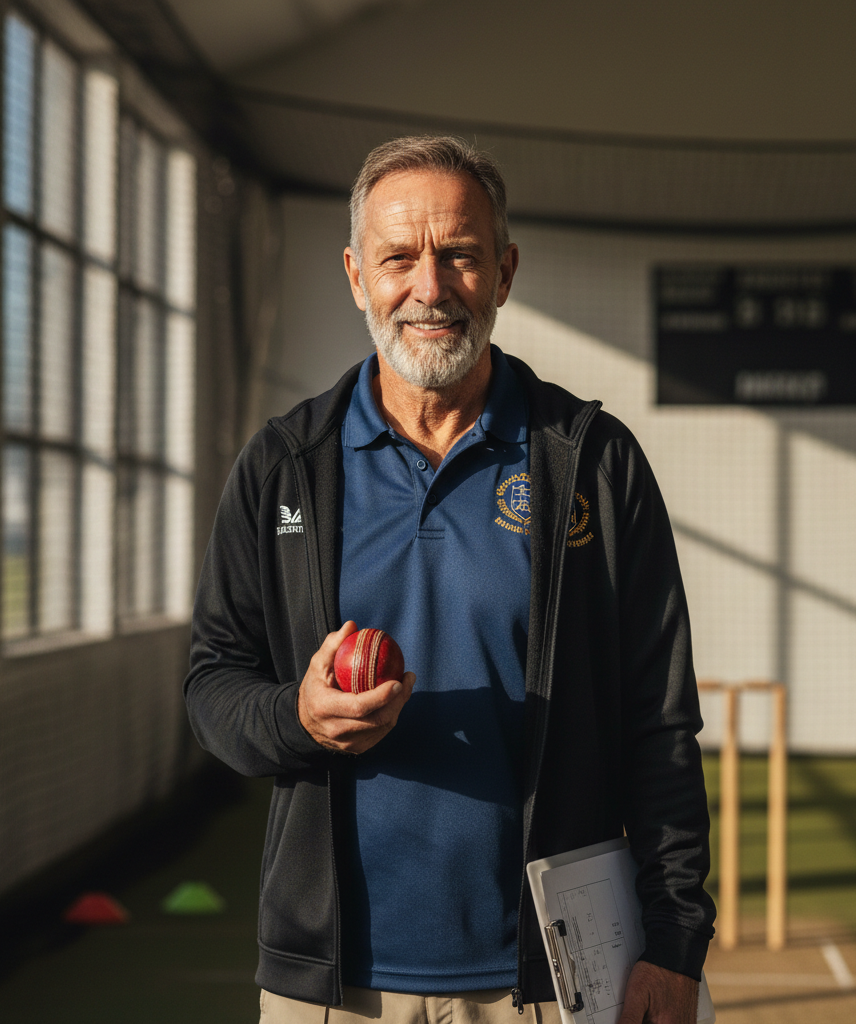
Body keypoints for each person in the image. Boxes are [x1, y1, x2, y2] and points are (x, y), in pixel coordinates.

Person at [184, 135, 715, 1024]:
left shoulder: (591, 461)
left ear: (503, 273)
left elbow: (658, 721)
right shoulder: (284, 465)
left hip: (546, 982)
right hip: (332, 988)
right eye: (399, 258)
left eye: (459, 255)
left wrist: (674, 940)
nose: (429, 289)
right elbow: (212, 686)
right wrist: (299, 716)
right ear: (357, 276)